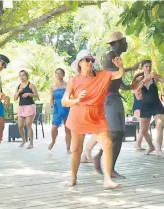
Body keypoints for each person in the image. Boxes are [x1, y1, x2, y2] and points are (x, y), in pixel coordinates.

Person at [63, 49, 124, 189]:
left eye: (92, 60)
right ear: (80, 63)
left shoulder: (103, 75)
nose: (91, 62)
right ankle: (73, 177)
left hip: (97, 116)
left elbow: (119, 74)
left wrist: (120, 66)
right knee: (76, 150)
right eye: (87, 60)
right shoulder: (74, 80)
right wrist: (77, 99)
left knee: (108, 143)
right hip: (78, 115)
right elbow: (64, 101)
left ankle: (107, 179)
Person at [91, 31, 140, 179]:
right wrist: (131, 68)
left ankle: (109, 166)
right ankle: (101, 158)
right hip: (108, 99)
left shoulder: (117, 58)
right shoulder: (110, 56)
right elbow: (113, 75)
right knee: (115, 133)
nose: (126, 44)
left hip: (116, 98)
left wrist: (132, 85)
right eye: (124, 41)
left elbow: (120, 84)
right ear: (117, 43)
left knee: (120, 134)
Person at [135, 60, 164, 158]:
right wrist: (144, 80)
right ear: (142, 68)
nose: (148, 68)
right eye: (146, 66)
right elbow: (136, 90)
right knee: (143, 131)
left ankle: (159, 150)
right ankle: (151, 146)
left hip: (156, 105)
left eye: (149, 66)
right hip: (145, 106)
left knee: (159, 125)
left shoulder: (155, 77)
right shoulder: (139, 79)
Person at [14, 70, 39, 149]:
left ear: (26, 76)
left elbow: (37, 95)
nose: (21, 77)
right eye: (20, 75)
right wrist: (19, 92)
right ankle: (23, 140)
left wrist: (29, 94)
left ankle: (31, 144)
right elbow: (15, 98)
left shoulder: (31, 85)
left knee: (28, 125)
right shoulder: (18, 86)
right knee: (20, 126)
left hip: (30, 106)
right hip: (21, 107)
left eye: (23, 75)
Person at [48, 68, 72, 154]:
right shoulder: (53, 87)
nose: (58, 75)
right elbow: (51, 98)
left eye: (60, 73)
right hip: (57, 108)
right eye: (56, 73)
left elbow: (72, 95)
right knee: (54, 128)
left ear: (63, 74)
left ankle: (68, 148)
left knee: (68, 129)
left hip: (67, 107)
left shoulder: (67, 85)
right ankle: (53, 141)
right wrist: (51, 104)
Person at [132, 72, 145, 151]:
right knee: (142, 125)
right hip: (137, 109)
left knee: (144, 127)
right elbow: (139, 98)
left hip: (143, 108)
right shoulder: (135, 88)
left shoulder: (143, 87)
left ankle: (138, 144)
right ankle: (137, 144)